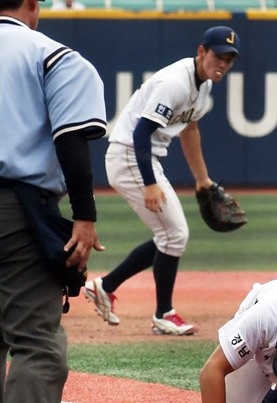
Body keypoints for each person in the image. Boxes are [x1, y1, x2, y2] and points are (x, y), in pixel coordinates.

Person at [0, 0, 106, 403]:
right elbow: (72, 138)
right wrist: (86, 217)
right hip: (13, 211)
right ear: (32, 5)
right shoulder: (52, 54)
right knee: (38, 342)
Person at [84, 26, 240, 335]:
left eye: (229, 59)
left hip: (142, 157)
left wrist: (202, 180)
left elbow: (190, 130)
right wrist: (149, 183)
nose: (222, 64)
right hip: (131, 155)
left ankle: (105, 286)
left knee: (170, 236)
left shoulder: (204, 86)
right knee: (175, 234)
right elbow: (142, 132)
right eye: (218, 56)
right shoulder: (175, 83)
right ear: (202, 52)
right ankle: (163, 314)